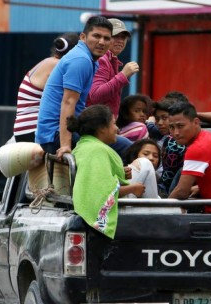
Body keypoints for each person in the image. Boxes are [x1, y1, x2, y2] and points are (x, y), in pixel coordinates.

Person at [36, 16, 121, 159]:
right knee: (122, 146)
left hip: (62, 130)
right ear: (83, 37)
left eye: (106, 38)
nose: (101, 42)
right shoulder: (80, 60)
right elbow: (68, 102)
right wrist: (65, 145)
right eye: (96, 36)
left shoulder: (88, 59)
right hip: (55, 135)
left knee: (117, 139)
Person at [70, 105, 146, 239]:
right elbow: (102, 191)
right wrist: (133, 188)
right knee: (145, 164)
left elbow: (98, 179)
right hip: (98, 221)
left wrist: (120, 173)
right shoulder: (96, 151)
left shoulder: (86, 145)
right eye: (113, 124)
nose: (117, 129)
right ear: (102, 129)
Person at [12, 33, 79, 143]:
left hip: (23, 130)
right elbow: (70, 100)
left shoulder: (47, 61)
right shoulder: (58, 65)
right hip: (35, 129)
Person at [87, 18, 139, 117]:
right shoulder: (102, 59)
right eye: (115, 36)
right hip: (95, 123)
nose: (120, 41)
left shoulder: (111, 59)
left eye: (123, 37)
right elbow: (95, 95)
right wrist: (123, 75)